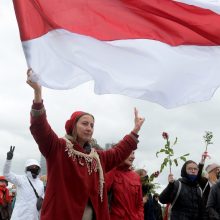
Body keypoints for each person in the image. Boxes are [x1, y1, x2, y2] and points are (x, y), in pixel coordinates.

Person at [26, 69, 145, 220]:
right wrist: (38, 94)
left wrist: (135, 130)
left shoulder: (97, 158)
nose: (89, 128)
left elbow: (119, 152)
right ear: (73, 126)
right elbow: (40, 129)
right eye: (84, 123)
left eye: (92, 125)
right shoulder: (58, 148)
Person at [3, 146, 44, 220]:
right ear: (27, 168)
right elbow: (7, 174)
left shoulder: (40, 183)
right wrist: (8, 160)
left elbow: (42, 198)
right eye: (32, 167)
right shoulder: (21, 179)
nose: (34, 169)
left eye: (36, 167)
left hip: (34, 216)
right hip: (20, 216)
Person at [105, 151, 144, 220]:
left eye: (133, 153)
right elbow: (101, 192)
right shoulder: (111, 171)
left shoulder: (136, 177)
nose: (133, 157)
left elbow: (139, 203)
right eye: (130, 153)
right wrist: (114, 164)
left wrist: (139, 217)